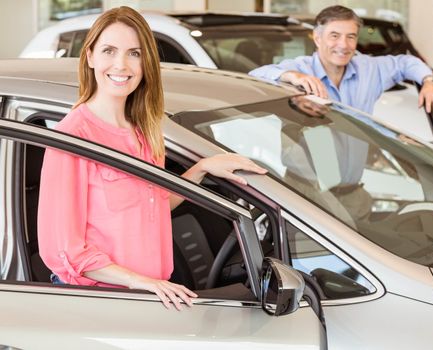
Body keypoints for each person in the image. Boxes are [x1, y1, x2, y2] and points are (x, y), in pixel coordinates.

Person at [37, 6, 267, 310]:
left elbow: (152, 207)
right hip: (102, 302)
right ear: (90, 56)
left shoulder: (143, 130)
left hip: (150, 296)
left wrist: (199, 170)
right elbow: (65, 251)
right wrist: (140, 281)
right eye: (109, 50)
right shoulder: (72, 137)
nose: (121, 64)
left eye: (134, 53)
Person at [249, 5, 433, 118]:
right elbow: (253, 78)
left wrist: (429, 81)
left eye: (351, 37)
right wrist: (290, 76)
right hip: (302, 184)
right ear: (317, 38)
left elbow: (406, 62)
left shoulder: (369, 69)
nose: (343, 45)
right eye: (334, 36)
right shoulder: (300, 69)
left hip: (353, 183)